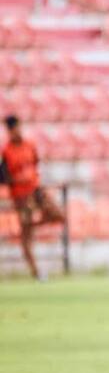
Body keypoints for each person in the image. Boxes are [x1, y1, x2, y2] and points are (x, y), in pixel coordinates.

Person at [1, 115, 64, 280]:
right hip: (20, 195)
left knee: (59, 215)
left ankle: (32, 224)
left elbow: (36, 165)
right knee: (26, 236)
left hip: (35, 189)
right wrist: (17, 179)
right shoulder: (6, 152)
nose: (18, 132)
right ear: (9, 131)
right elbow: (4, 177)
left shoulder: (30, 145)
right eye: (14, 129)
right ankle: (36, 272)